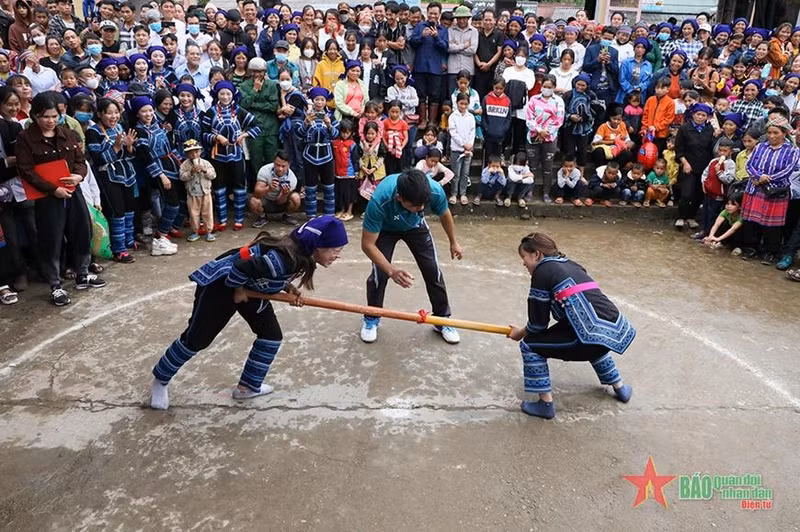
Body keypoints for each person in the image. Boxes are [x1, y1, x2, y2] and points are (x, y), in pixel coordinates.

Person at [149, 215, 348, 410]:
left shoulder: (300, 256)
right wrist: (238, 291)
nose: (338, 255)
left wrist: (289, 289)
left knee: (271, 337)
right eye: (336, 249)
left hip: (251, 287)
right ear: (318, 246)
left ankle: (248, 387)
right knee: (197, 339)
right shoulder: (284, 259)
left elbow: (270, 274)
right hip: (224, 285)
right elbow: (240, 266)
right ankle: (161, 379)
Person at [507, 232, 635, 419]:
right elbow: (563, 312)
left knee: (529, 345)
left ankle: (545, 404)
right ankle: (620, 388)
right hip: (615, 331)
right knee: (594, 335)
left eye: (524, 257)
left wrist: (520, 333)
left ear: (536, 255)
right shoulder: (571, 265)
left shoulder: (542, 272)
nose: (523, 263)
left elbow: (538, 324)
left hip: (589, 336)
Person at [17, 92, 105, 306]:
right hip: (48, 198)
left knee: (81, 231)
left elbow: (80, 160)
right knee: (52, 239)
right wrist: (53, 189)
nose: (50, 121)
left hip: (73, 192)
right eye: (45, 116)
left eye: (54, 116)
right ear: (36, 116)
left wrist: (78, 175)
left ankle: (83, 273)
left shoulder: (67, 133)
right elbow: (26, 170)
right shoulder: (26, 138)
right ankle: (55, 285)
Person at [359, 168, 463, 344]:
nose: (420, 208)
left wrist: (454, 241)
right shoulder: (380, 200)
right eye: (414, 206)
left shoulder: (434, 190)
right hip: (385, 230)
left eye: (423, 204)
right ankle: (371, 317)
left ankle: (442, 320)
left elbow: (444, 213)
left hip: (415, 227)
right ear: (399, 197)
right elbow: (367, 245)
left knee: (432, 270)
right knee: (380, 274)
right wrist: (392, 271)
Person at [201, 81, 261, 231]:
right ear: (217, 95)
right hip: (217, 156)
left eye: (228, 93)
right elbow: (203, 133)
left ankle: (239, 219)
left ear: (233, 95)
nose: (225, 96)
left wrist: (245, 134)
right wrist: (216, 138)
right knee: (219, 187)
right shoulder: (211, 112)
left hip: (236, 154)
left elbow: (258, 126)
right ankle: (222, 219)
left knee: (239, 186)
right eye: (222, 93)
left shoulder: (239, 111)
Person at [741, 115, 800, 264]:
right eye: (769, 133)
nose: (772, 136)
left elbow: (787, 171)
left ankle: (770, 252)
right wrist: (758, 175)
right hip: (754, 188)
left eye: (776, 133)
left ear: (784, 133)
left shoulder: (792, 151)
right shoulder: (760, 146)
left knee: (772, 224)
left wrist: (767, 178)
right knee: (751, 221)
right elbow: (749, 165)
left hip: (775, 191)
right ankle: (751, 249)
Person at [86, 98, 137, 263]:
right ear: (100, 114)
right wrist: (115, 147)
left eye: (116, 112)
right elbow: (98, 158)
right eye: (109, 113)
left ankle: (128, 240)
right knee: (117, 212)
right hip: (107, 177)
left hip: (126, 174)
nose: (113, 116)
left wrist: (129, 147)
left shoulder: (119, 128)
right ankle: (118, 249)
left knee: (130, 209)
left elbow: (127, 155)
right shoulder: (93, 132)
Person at [674, 102, 715, 229]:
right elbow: (679, 148)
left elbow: (711, 148)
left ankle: (691, 217)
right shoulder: (684, 129)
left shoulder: (709, 130)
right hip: (688, 165)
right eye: (698, 114)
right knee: (687, 193)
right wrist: (685, 163)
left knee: (699, 194)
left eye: (703, 115)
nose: (700, 117)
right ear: (693, 114)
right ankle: (681, 216)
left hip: (703, 166)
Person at [300, 87, 339, 219]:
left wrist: (329, 125)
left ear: (326, 101)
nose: (319, 102)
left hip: (326, 155)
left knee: (329, 187)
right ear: (313, 100)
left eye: (322, 100)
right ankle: (311, 217)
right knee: (310, 188)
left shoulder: (331, 116)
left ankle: (329, 217)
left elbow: (335, 135)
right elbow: (299, 134)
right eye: (317, 99)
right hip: (309, 155)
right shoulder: (306, 114)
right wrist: (305, 123)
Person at [239, 57, 279, 179]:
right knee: (255, 160)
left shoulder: (272, 85)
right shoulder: (244, 86)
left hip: (271, 128)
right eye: (255, 71)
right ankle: (259, 184)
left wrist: (254, 105)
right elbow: (243, 105)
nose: (257, 74)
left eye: (260, 71)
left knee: (271, 159)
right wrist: (255, 91)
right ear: (250, 71)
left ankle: (272, 184)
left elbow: (273, 106)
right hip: (254, 129)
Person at [526, 75, 564, 203]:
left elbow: (558, 121)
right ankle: (529, 191)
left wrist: (545, 133)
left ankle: (546, 193)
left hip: (550, 138)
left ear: (554, 87)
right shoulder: (533, 99)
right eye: (545, 86)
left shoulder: (559, 101)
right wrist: (538, 131)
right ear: (541, 86)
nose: (547, 89)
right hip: (533, 137)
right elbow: (529, 118)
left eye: (550, 87)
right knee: (532, 166)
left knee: (547, 167)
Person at [249, 151, 302, 228]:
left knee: (296, 198)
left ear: (288, 165)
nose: (280, 169)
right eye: (277, 165)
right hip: (265, 200)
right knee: (253, 201)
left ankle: (287, 216)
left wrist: (284, 194)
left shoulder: (292, 178)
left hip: (281, 202)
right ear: (273, 162)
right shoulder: (264, 170)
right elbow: (256, 192)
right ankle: (262, 217)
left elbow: (279, 202)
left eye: (283, 166)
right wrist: (268, 188)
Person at [696, 139, 736, 239]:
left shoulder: (730, 164)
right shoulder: (713, 161)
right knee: (705, 212)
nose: (722, 153)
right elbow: (705, 173)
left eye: (725, 151)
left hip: (718, 194)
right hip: (708, 191)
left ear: (731, 151)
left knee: (713, 215)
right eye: (720, 150)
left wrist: (719, 172)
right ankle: (703, 231)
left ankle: (710, 234)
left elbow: (728, 179)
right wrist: (703, 184)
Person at [179, 138, 217, 242]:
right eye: (191, 153)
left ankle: (209, 231)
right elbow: (182, 176)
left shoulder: (205, 163)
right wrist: (191, 172)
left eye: (196, 152)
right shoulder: (185, 165)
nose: (194, 155)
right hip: (192, 194)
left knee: (207, 213)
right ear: (187, 154)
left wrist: (205, 171)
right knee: (193, 213)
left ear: (200, 152)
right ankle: (195, 231)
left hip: (206, 192)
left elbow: (213, 175)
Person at [448, 92, 475, 205]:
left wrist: (469, 145)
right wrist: (464, 144)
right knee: (456, 173)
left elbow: (472, 132)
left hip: (468, 150)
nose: (463, 106)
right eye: (461, 103)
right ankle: (454, 194)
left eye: (465, 104)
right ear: (457, 103)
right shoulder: (453, 117)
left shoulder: (471, 117)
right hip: (456, 149)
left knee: (465, 173)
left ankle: (463, 193)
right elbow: (453, 133)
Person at [332, 118, 359, 221]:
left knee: (349, 194)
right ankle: (342, 210)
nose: (345, 135)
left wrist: (356, 172)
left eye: (347, 133)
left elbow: (355, 159)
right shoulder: (335, 143)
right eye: (343, 132)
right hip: (338, 173)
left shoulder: (352, 145)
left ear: (351, 133)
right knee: (341, 193)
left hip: (349, 173)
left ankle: (349, 211)